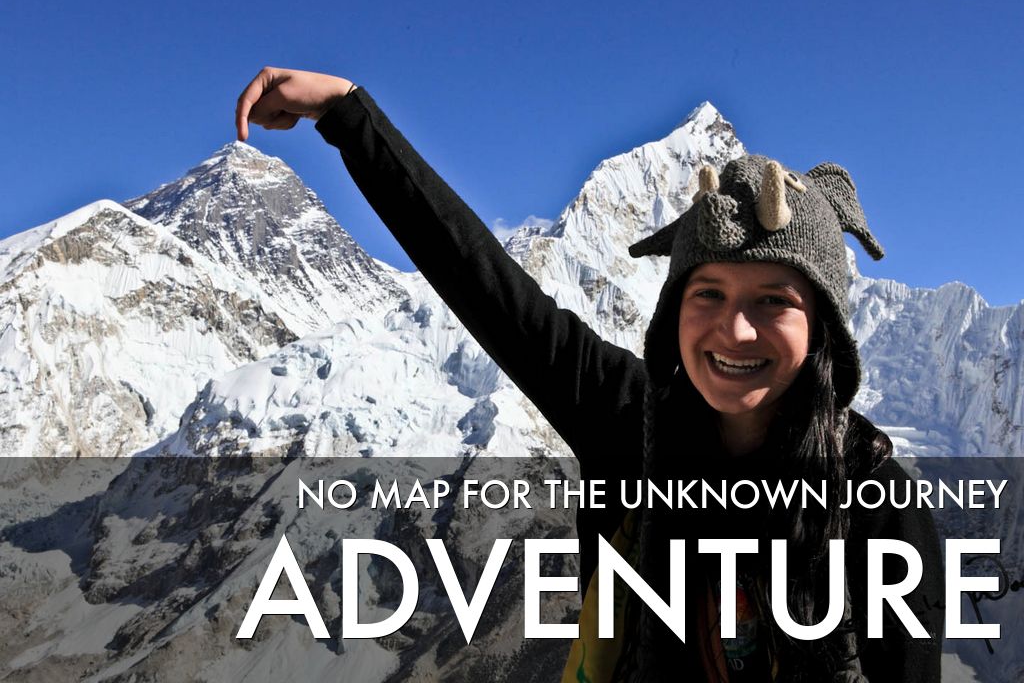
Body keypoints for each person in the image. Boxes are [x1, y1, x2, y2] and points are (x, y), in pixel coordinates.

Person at [236, 67, 944, 681]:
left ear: (822, 327)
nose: (735, 330)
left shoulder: (879, 505)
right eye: (708, 293)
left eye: (774, 301)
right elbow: (482, 281)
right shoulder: (628, 417)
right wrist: (346, 113)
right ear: (674, 311)